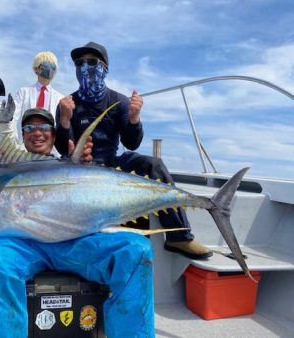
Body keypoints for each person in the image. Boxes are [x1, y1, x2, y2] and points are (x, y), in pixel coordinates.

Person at [0, 108, 155, 338]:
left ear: (53, 135)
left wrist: (82, 168)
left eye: (44, 127)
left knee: (136, 250)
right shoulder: (1, 170)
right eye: (29, 128)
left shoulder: (70, 163)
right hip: (18, 245)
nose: (37, 133)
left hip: (74, 241)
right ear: (23, 136)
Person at [54, 41, 212, 260]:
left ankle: (179, 236)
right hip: (78, 169)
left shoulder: (119, 101)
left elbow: (132, 142)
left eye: (92, 62)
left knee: (153, 164)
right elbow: (63, 148)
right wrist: (64, 120)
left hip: (112, 164)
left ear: (105, 69)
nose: (85, 67)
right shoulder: (66, 104)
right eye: (79, 63)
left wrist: (135, 118)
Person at [12, 51, 64, 145]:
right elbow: (12, 118)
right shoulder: (23, 92)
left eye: (53, 66)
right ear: (36, 69)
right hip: (26, 145)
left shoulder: (61, 98)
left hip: (51, 148)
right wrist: (15, 143)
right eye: (45, 65)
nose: (49, 69)